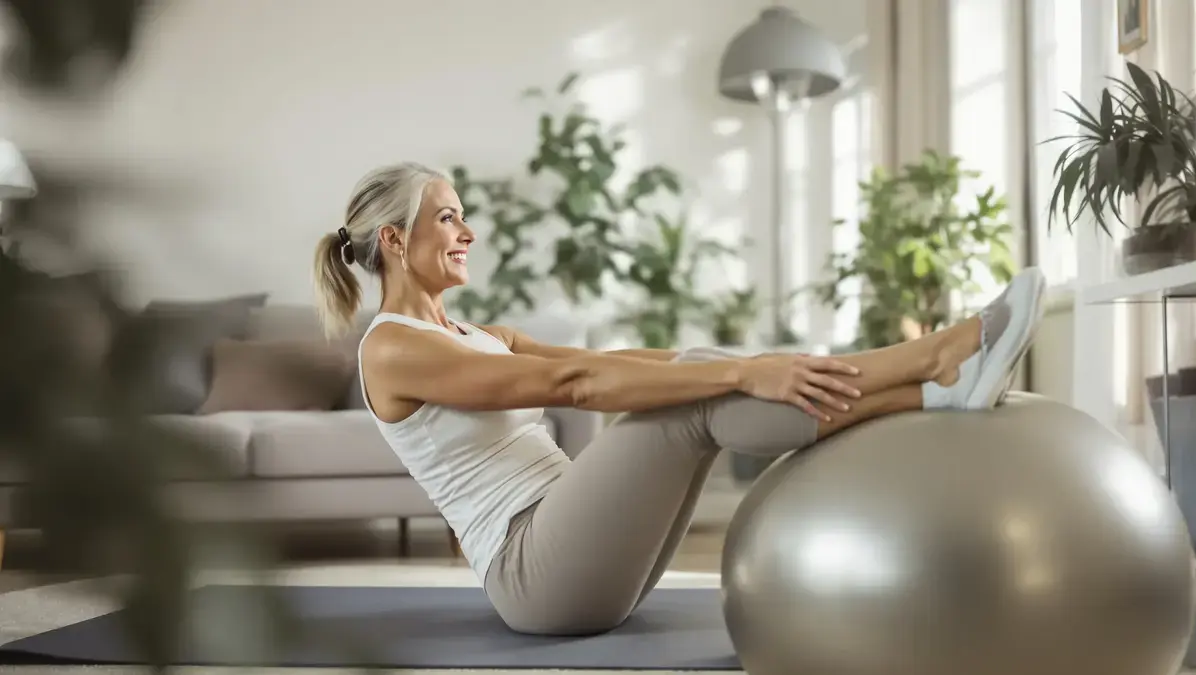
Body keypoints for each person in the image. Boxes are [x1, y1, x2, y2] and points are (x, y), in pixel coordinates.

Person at [312, 162, 1047, 637]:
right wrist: (740, 376)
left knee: (698, 376)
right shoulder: (395, 348)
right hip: (534, 573)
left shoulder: (475, 334)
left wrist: (746, 364)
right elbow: (574, 386)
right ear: (395, 241)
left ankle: (931, 385)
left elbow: (607, 362)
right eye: (448, 217)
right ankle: (931, 366)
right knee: (694, 403)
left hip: (577, 551)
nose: (468, 232)